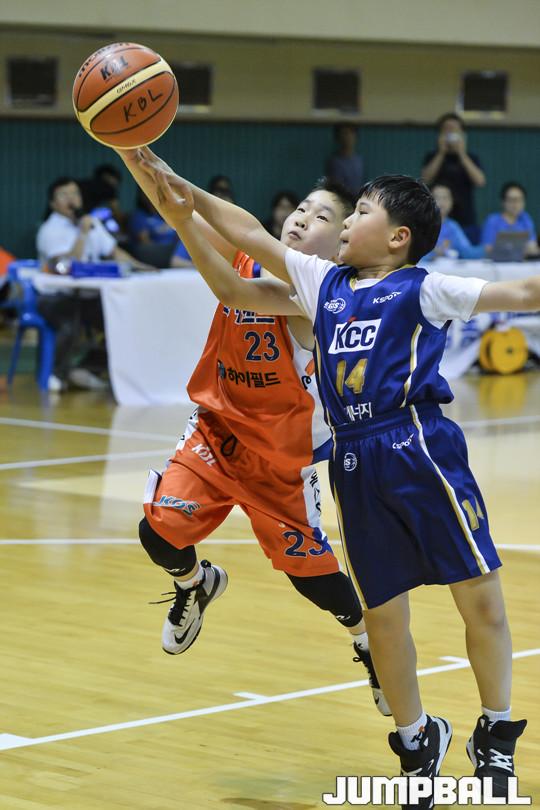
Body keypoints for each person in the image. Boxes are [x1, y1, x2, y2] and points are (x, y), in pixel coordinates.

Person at [145, 163, 534, 805]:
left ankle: (494, 733)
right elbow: (248, 234)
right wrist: (180, 190)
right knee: (383, 619)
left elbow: (520, 292)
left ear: (399, 237)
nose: (348, 221)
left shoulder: (423, 289)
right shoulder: (321, 283)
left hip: (421, 451)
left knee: (482, 601)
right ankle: (416, 743)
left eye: (361, 213)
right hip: (354, 462)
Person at [117, 148, 390, 717]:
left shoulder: (319, 297)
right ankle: (195, 584)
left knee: (313, 580)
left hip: (280, 463)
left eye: (321, 216)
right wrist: (132, 150)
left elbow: (228, 285)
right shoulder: (246, 256)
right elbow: (181, 209)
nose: (301, 218)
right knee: (158, 533)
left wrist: (185, 216)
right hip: (217, 432)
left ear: (341, 243)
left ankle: (369, 642)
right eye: (300, 208)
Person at [36, 177, 153, 391]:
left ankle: (86, 368)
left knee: (122, 322)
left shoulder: (93, 224)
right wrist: (82, 234)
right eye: (64, 195)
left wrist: (141, 266)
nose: (72, 199)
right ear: (53, 203)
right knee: (70, 324)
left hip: (89, 296)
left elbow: (114, 252)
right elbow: (66, 266)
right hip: (55, 297)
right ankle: (57, 374)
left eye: (75, 193)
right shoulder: (50, 230)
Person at [421, 113, 485, 240]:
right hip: (438, 219)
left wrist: (462, 153)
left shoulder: (471, 157)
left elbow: (480, 181)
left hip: (466, 218)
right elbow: (425, 179)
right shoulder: (432, 156)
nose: (450, 133)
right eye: (446, 129)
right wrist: (441, 152)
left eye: (455, 129)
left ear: (462, 134)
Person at [421, 184, 484, 263]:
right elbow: (412, 254)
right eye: (437, 198)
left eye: (445, 198)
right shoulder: (420, 224)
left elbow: (468, 252)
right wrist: (433, 253)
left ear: (452, 202)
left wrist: (486, 249)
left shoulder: (452, 226)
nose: (441, 202)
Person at [481, 182, 539, 258]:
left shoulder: (525, 218)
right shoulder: (492, 221)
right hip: (497, 262)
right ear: (503, 202)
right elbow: (486, 249)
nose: (516, 204)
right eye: (512, 200)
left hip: (522, 262)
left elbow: (532, 246)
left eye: (519, 200)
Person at [325, 123, 364, 197]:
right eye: (343, 134)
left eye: (350, 133)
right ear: (338, 138)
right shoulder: (334, 162)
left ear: (356, 136)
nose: (346, 137)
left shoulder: (360, 161)